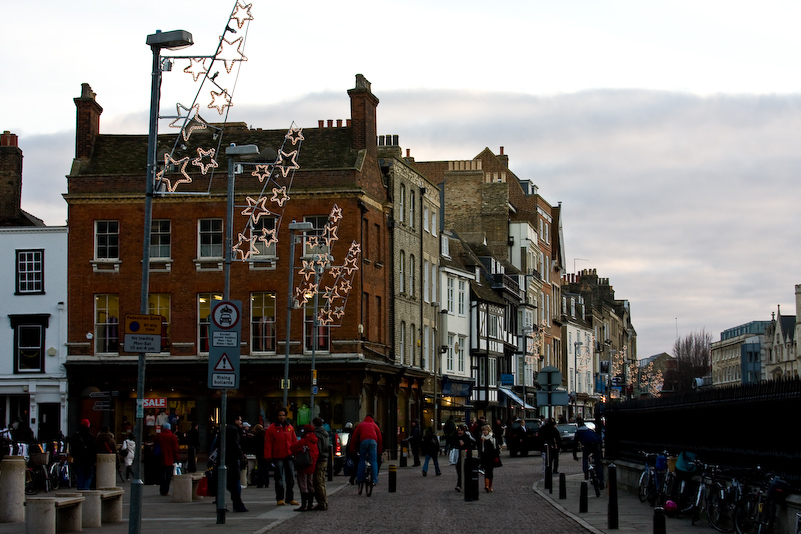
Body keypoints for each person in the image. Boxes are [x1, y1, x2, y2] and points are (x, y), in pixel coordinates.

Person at [264, 408, 299, 506]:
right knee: (279, 479)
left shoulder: (290, 427)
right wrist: (268, 457)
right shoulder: (271, 429)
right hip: (277, 456)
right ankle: (280, 498)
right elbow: (268, 444)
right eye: (280, 415)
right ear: (276, 416)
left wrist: (295, 453)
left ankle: (290, 498)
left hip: (289, 456)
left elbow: (294, 441)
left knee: (291, 479)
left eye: (283, 415)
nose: (282, 417)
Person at [290, 424, 319, 511]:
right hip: (312, 464)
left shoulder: (304, 440)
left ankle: (304, 505)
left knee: (303, 484)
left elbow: (292, 447)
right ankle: (310, 504)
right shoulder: (314, 440)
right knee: (310, 483)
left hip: (303, 464)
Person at [348, 414, 382, 487]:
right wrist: (379, 451)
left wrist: (352, 449)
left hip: (363, 441)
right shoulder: (374, 425)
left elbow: (354, 437)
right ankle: (374, 480)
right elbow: (379, 438)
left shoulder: (361, 425)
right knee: (373, 460)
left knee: (362, 460)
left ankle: (360, 478)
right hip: (373, 442)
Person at [225, 414, 248, 512]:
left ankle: (234, 502)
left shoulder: (226, 429)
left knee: (230, 482)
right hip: (232, 459)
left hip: (227, 459)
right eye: (239, 420)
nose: (241, 422)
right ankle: (237, 503)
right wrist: (241, 456)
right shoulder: (234, 430)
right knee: (235, 482)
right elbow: (235, 444)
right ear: (235, 421)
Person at [573, 416, 604, 487]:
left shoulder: (578, 432)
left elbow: (575, 445)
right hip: (596, 446)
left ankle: (586, 471)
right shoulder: (590, 430)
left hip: (587, 446)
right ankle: (601, 481)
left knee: (585, 457)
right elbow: (599, 438)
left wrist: (575, 456)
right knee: (598, 464)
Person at [70, 419, 97, 490]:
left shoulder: (75, 436)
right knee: (88, 476)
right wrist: (94, 460)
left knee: (80, 477)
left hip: (78, 460)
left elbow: (72, 450)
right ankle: (85, 491)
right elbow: (94, 449)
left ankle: (80, 492)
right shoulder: (90, 436)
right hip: (88, 461)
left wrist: (74, 457)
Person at [155, 421, 179, 496]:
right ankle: (166, 490)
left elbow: (155, 446)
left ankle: (162, 489)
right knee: (168, 476)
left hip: (160, 458)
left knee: (161, 475)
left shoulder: (158, 436)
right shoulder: (172, 437)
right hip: (170, 458)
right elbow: (175, 449)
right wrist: (177, 458)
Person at [448, 424, 475, 492]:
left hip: (465, 456)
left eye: (461, 430)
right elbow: (451, 443)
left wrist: (464, 444)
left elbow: (471, 444)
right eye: (459, 430)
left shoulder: (466, 436)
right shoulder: (455, 436)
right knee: (459, 471)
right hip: (457, 457)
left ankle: (467, 485)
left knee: (466, 471)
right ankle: (459, 485)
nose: (459, 432)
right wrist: (457, 443)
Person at [311, 417, 329, 510]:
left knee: (318, 482)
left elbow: (318, 449)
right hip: (324, 458)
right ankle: (324, 501)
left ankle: (322, 503)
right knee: (322, 481)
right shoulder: (325, 433)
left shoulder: (317, 434)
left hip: (319, 459)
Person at [477, 424, 500, 492]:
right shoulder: (481, 438)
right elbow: (480, 447)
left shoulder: (492, 438)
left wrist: (496, 456)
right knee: (486, 471)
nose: (484, 432)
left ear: (488, 431)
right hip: (484, 457)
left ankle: (490, 486)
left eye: (485, 430)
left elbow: (496, 448)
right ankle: (486, 485)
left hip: (491, 457)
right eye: (483, 430)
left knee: (490, 471)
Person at [252, 424, 270, 488]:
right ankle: (266, 482)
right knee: (266, 469)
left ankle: (261, 483)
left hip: (260, 454)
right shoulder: (266, 435)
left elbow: (255, 445)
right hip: (266, 453)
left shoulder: (257, 435)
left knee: (261, 468)